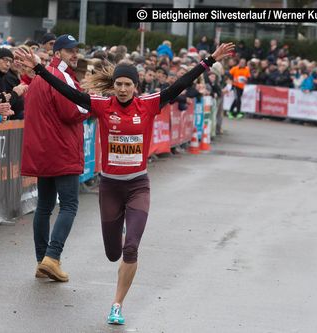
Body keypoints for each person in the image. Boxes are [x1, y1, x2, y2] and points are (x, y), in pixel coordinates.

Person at [16, 41, 234, 325]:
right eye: (118, 83)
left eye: (127, 84)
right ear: (113, 85)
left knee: (131, 249)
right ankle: (118, 240)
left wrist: (208, 60)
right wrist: (40, 70)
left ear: (135, 86)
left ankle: (116, 305)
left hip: (137, 187)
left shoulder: (148, 104)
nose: (121, 89)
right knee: (112, 253)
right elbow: (68, 93)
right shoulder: (102, 106)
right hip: (110, 188)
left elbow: (180, 84)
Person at [19, 34, 87, 284]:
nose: (75, 54)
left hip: (44, 149)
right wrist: (91, 104)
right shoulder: (62, 75)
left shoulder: (42, 75)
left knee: (45, 207)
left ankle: (41, 261)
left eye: (76, 50)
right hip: (62, 148)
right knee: (69, 205)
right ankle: (52, 257)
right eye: (70, 50)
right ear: (57, 53)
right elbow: (74, 110)